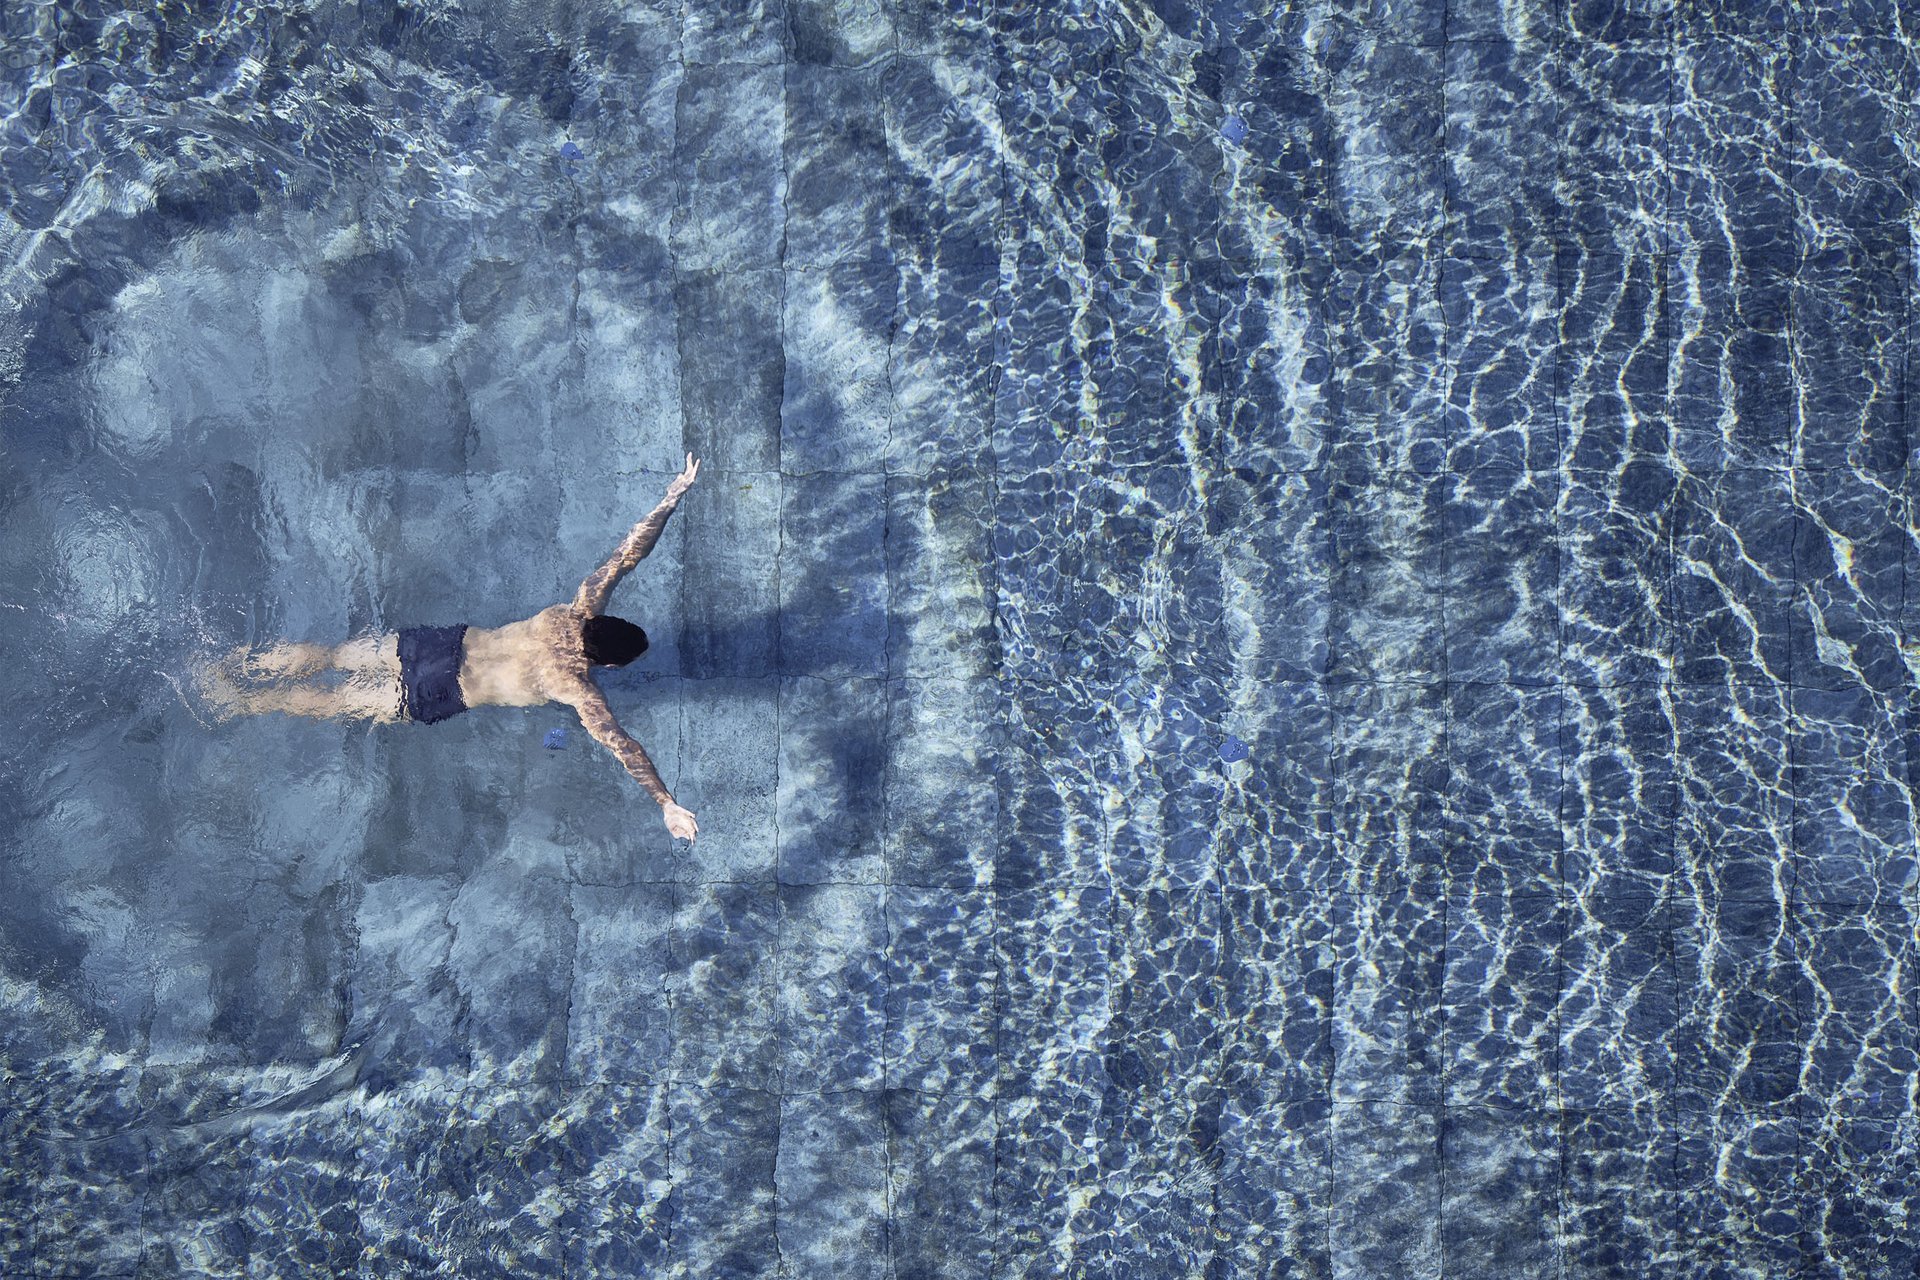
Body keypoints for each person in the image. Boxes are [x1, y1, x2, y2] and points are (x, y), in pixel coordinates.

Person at [198, 453, 702, 840]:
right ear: (608, 662)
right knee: (334, 702)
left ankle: (229, 663)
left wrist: (671, 496)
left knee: (330, 656)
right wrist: (664, 802)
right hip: (444, 690)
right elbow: (623, 746)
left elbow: (625, 556)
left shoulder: (573, 610)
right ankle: (239, 701)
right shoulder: (577, 689)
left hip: (438, 647)